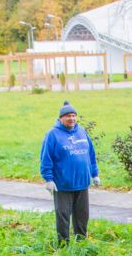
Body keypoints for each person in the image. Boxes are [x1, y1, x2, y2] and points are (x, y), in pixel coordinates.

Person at [39, 101, 99, 243]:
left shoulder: (82, 132)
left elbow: (91, 154)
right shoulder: (52, 135)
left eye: (73, 116)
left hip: (82, 183)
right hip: (62, 184)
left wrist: (95, 174)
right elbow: (46, 158)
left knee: (82, 215)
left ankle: (81, 241)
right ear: (61, 118)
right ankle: (63, 243)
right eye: (67, 116)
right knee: (63, 215)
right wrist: (48, 179)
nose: (71, 119)